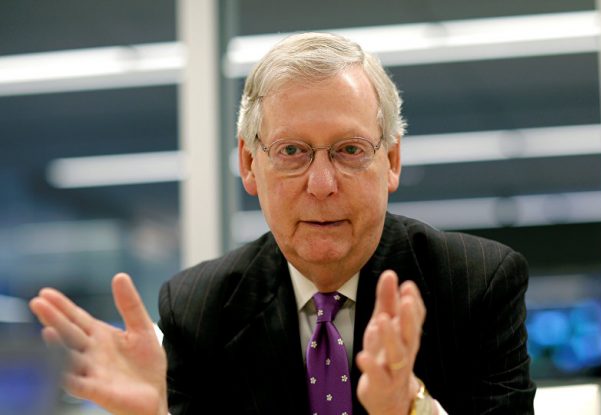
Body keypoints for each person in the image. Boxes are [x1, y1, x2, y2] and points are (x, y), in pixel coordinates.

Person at [29, 32, 535, 415]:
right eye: (292, 151)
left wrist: (410, 407)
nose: (321, 184)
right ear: (250, 164)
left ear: (392, 160)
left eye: (350, 150)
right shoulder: (200, 310)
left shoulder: (475, 284)